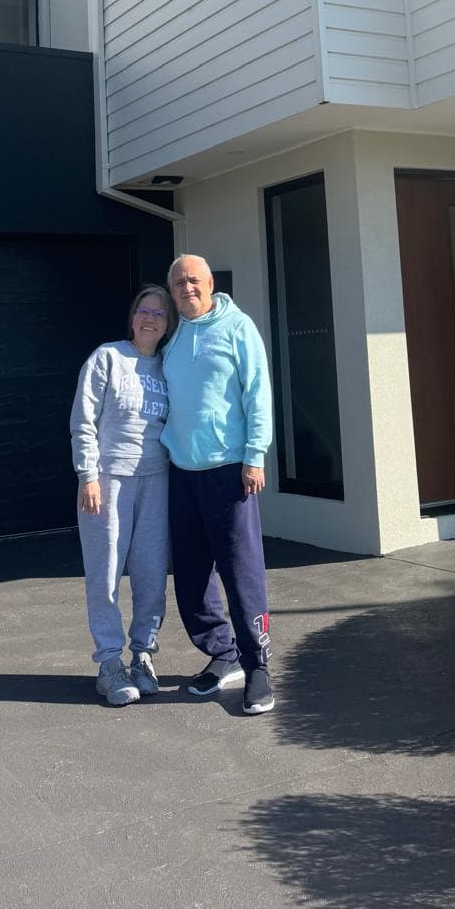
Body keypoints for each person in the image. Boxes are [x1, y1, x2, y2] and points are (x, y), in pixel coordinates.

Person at [161, 254, 275, 716]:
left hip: (230, 470)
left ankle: (258, 664)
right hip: (182, 473)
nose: (187, 288)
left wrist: (255, 456)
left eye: (194, 280)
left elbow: (258, 392)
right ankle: (222, 652)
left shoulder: (237, 327)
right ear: (171, 292)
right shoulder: (172, 340)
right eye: (178, 283)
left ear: (209, 284)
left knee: (241, 572)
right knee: (190, 576)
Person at [70, 285, 174, 706]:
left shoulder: (170, 366)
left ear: (168, 325)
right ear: (132, 318)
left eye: (160, 313)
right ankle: (110, 663)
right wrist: (87, 475)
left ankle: (143, 654)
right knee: (106, 571)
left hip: (157, 480)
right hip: (109, 481)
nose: (151, 318)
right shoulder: (107, 358)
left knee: (151, 573)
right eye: (143, 311)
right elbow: (83, 420)